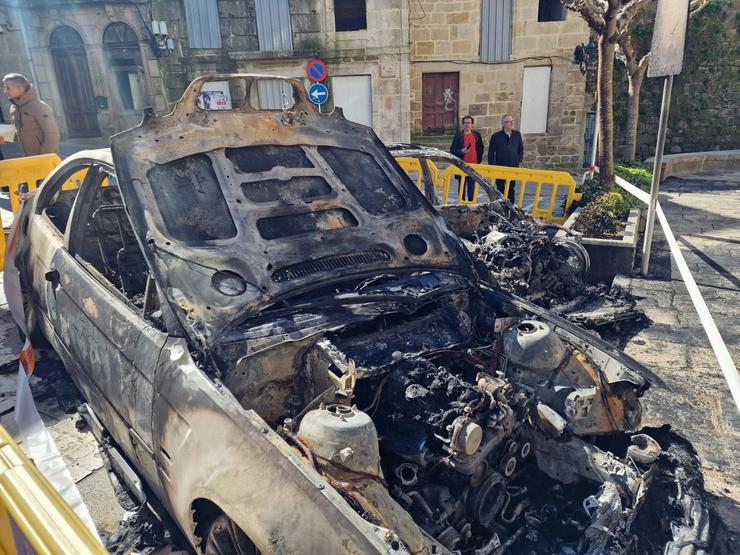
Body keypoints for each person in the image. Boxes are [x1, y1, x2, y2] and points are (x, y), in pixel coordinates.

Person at [0, 73, 60, 156]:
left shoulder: (39, 106)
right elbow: (18, 133)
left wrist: (43, 157)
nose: (5, 91)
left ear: (20, 88)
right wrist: (5, 138)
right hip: (29, 158)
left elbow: (52, 134)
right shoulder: (14, 108)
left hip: (44, 159)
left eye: (7, 88)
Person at [487, 114, 523, 203]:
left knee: (511, 187)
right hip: (500, 166)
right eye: (508, 121)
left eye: (512, 121)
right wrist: (492, 166)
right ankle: (502, 205)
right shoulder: (496, 136)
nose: (511, 123)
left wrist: (519, 159)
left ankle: (511, 206)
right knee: (500, 187)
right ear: (503, 124)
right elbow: (491, 152)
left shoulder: (517, 134)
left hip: (513, 166)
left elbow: (520, 148)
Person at [450, 115, 484, 201]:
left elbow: (480, 148)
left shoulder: (477, 135)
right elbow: (452, 150)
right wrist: (461, 151)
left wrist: (478, 160)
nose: (467, 125)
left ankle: (471, 206)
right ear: (463, 124)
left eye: (469, 123)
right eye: (465, 123)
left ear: (472, 124)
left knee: (471, 188)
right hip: (462, 166)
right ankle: (461, 206)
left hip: (473, 166)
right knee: (461, 188)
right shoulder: (458, 136)